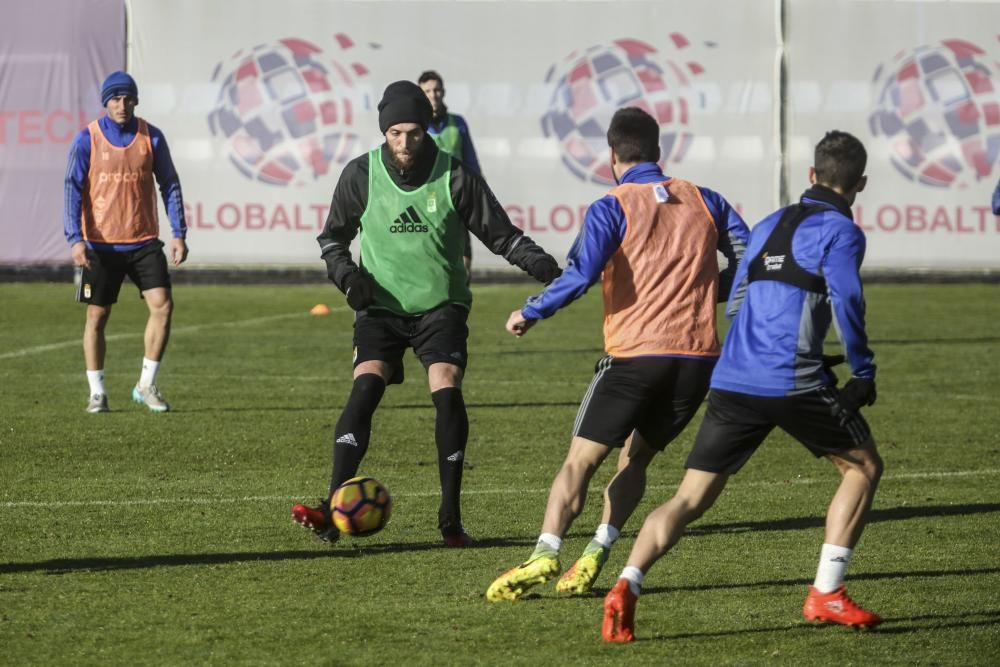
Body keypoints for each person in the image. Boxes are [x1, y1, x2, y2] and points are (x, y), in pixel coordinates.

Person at [601, 130, 883, 642]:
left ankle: (626, 584)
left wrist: (750, 344)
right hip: (791, 378)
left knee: (689, 499)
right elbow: (848, 302)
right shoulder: (843, 231)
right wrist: (862, 372)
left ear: (812, 176)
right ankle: (826, 593)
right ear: (860, 183)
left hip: (733, 375)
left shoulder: (771, 222)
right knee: (863, 467)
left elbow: (741, 294)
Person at [485, 107, 749, 602]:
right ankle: (598, 552)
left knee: (579, 462)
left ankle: (545, 551)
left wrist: (531, 311)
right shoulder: (705, 199)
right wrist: (713, 290)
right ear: (658, 151)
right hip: (695, 362)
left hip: (634, 357)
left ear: (612, 155)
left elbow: (581, 273)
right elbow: (749, 252)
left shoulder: (612, 205)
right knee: (636, 460)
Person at [292, 81, 562, 547]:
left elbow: (503, 236)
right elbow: (332, 241)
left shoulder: (454, 175)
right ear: (384, 132)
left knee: (446, 387)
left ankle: (450, 521)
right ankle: (333, 509)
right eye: (395, 133)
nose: (404, 143)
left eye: (413, 133)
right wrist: (350, 279)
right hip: (380, 307)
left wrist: (546, 268)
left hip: (441, 306)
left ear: (426, 130)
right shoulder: (361, 174)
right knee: (366, 386)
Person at [63, 70, 189, 414]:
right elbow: (71, 189)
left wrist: (178, 232)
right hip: (100, 244)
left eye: (128, 98)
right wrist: (75, 239)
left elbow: (170, 184)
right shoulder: (86, 138)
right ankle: (97, 392)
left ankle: (146, 384)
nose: (122, 104)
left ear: (135, 100)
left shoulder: (152, 137)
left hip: (144, 240)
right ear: (106, 102)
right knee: (97, 316)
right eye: (116, 98)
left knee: (163, 306)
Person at [418, 70, 482, 279]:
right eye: (427, 91)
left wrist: (478, 187)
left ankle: (462, 294)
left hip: (458, 192)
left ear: (443, 92)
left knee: (462, 245)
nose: (433, 95)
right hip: (429, 195)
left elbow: (470, 159)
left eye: (436, 90)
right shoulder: (417, 125)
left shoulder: (458, 123)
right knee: (431, 243)